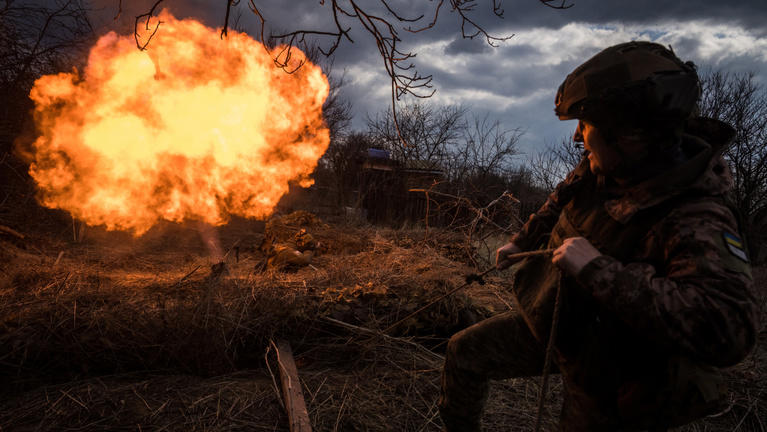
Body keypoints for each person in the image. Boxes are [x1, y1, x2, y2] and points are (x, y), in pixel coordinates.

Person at [438, 41, 759, 431]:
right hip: (561, 324)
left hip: (617, 374)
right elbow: (561, 199)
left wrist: (598, 270)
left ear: (628, 136)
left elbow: (729, 331)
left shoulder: (697, 215)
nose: (578, 136)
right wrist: (521, 241)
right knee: (465, 351)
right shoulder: (606, 167)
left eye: (586, 125)